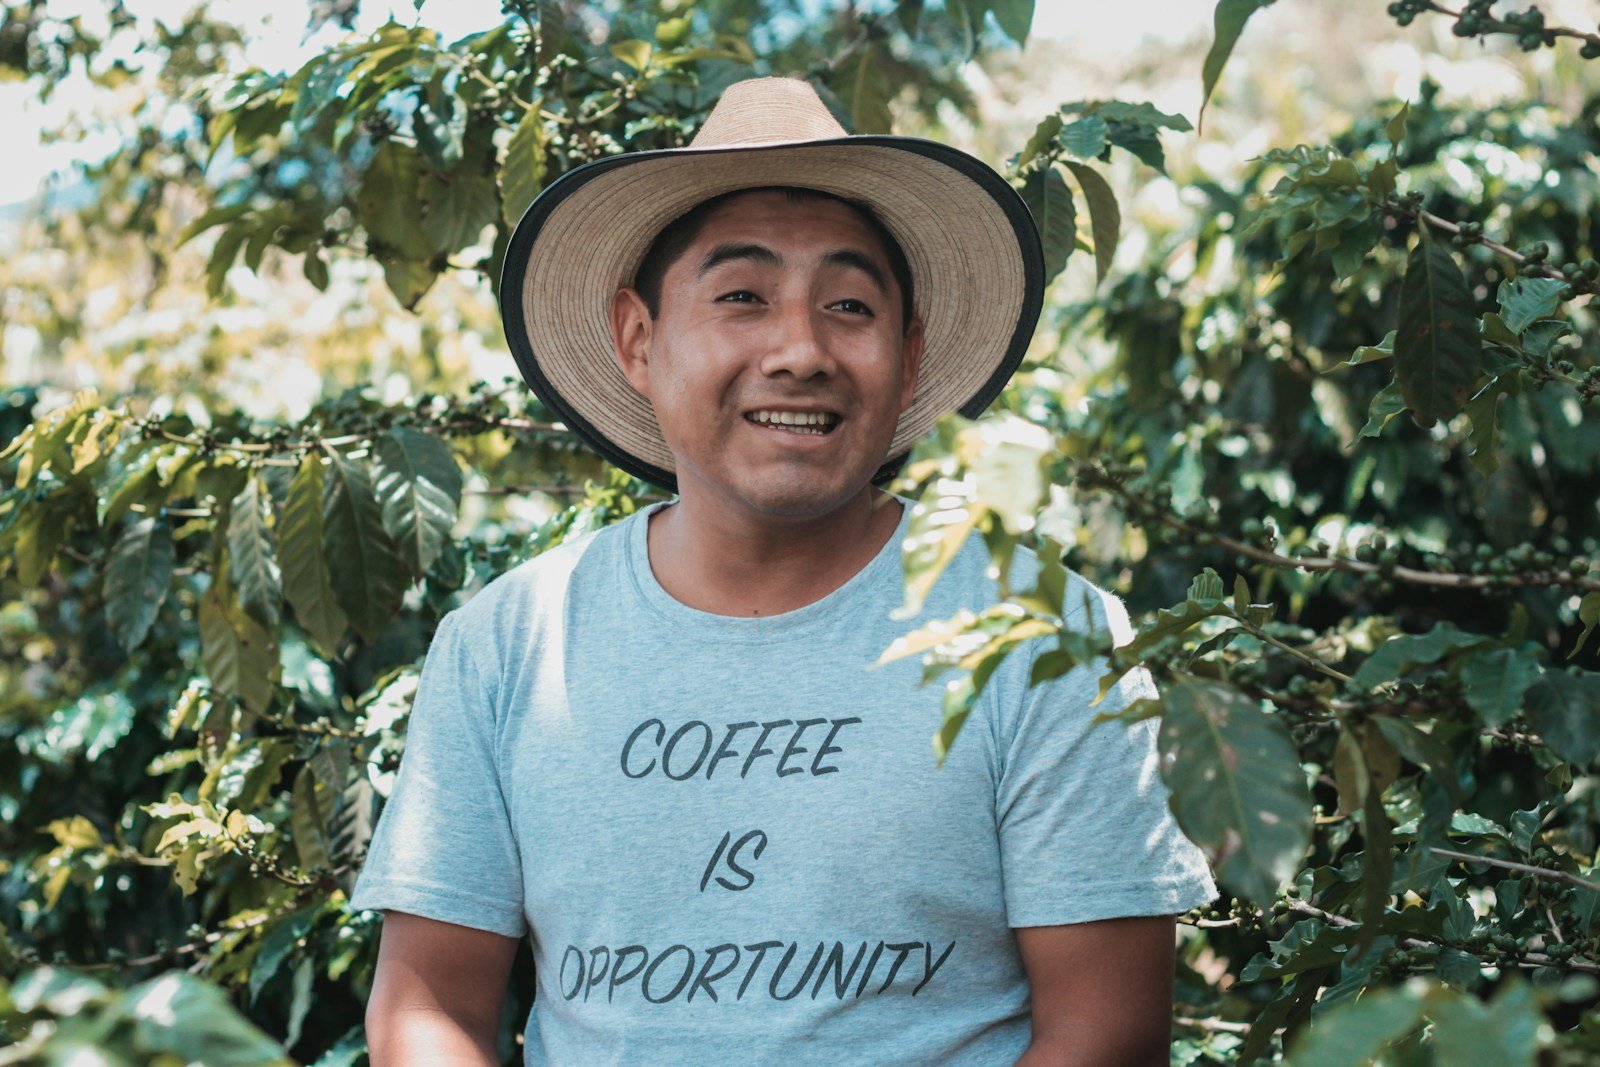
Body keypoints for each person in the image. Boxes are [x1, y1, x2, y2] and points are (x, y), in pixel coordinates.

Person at [351, 76, 1217, 1066]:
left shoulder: (1047, 637)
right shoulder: (509, 643)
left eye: (849, 305)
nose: (800, 350)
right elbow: (428, 1010)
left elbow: (1104, 1032)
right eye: (741, 297)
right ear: (639, 339)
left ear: (908, 348)